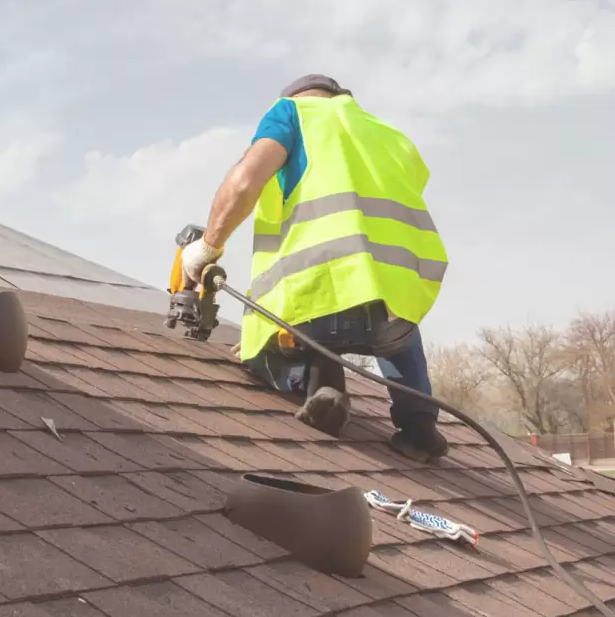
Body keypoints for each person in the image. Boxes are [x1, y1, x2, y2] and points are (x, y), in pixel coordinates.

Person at [181, 74, 450, 460]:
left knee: (264, 347)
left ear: (299, 98)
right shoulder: (385, 133)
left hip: (316, 304)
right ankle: (420, 425)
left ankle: (322, 385)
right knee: (395, 322)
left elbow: (244, 183)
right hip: (394, 307)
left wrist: (208, 247)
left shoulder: (292, 114)